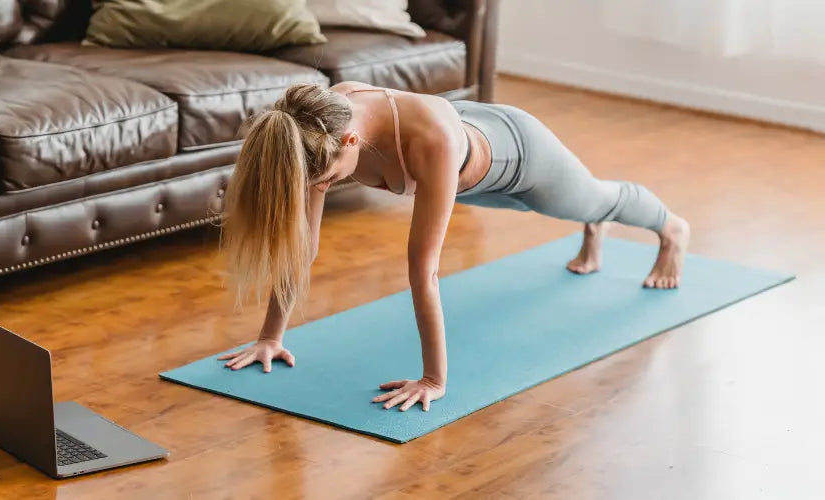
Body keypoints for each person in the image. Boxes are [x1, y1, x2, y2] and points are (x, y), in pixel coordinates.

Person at [217, 82, 690, 412]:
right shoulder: (316, 125)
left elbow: (424, 270)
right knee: (562, 209)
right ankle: (593, 226)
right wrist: (271, 338)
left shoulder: (428, 144)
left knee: (592, 198)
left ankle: (671, 229)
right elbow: (305, 247)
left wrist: (432, 381)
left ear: (352, 141)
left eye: (329, 179)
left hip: (519, 153)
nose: (323, 188)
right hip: (467, 155)